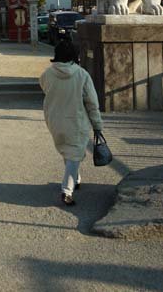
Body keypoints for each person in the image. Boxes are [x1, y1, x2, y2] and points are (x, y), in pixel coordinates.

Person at [39, 40, 103, 206]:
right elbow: (92, 103)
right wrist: (97, 125)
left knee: (67, 150)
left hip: (54, 119)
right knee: (74, 152)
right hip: (76, 120)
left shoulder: (47, 74)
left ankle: (76, 178)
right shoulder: (82, 75)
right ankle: (67, 190)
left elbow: (45, 88)